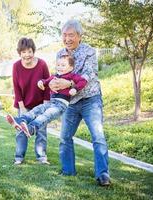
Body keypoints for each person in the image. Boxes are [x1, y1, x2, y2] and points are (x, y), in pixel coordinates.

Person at [49, 19, 111, 186]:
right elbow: (58, 74)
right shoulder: (60, 53)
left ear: (79, 36)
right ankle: (68, 171)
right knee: (64, 137)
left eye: (71, 35)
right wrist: (53, 84)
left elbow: (89, 74)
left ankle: (103, 175)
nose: (67, 39)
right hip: (70, 102)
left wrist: (69, 84)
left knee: (98, 137)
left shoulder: (89, 51)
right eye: (64, 35)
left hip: (90, 100)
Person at [6, 55, 87, 138]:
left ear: (70, 68)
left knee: (46, 115)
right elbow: (45, 81)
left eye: (63, 65)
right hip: (51, 102)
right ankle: (21, 120)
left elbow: (83, 81)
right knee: (37, 109)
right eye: (58, 65)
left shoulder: (71, 76)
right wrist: (40, 82)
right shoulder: (54, 76)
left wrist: (75, 89)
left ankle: (31, 129)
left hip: (61, 105)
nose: (60, 67)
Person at [11, 37, 50, 165]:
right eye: (23, 52)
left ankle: (41, 157)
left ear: (33, 51)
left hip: (40, 104)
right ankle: (19, 157)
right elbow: (16, 87)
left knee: (41, 131)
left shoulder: (42, 64)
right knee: (21, 131)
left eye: (29, 51)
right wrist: (21, 107)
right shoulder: (16, 66)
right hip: (24, 105)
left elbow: (48, 85)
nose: (27, 55)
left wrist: (45, 105)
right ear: (20, 53)